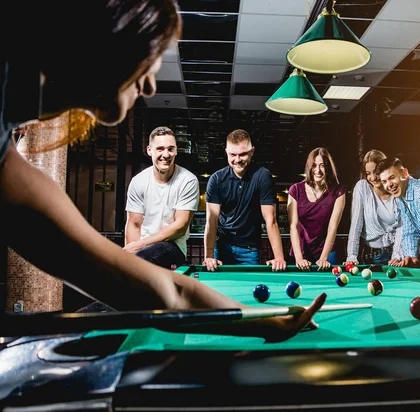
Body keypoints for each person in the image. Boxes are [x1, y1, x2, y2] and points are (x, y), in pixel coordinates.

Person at [0, 0, 325, 342]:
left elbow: (152, 288)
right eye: (150, 58)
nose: (152, 86)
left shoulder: (8, 160)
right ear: (112, 39)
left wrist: (265, 322)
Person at [203, 129, 287, 272]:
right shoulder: (216, 179)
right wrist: (208, 256)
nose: (237, 159)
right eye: (232, 155)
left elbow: (270, 220)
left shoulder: (263, 176)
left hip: (249, 249)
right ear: (226, 152)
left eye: (242, 154)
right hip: (222, 246)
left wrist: (279, 257)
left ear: (252, 151)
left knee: (250, 290)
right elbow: (211, 221)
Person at [124, 126, 199, 269]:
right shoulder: (138, 181)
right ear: (149, 150)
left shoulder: (188, 180)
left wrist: (141, 245)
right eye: (160, 149)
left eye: (171, 149)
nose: (166, 154)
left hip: (172, 246)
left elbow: (180, 227)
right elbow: (134, 224)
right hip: (143, 249)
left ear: (176, 151)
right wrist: (130, 254)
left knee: (147, 256)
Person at [287, 148, 346, 271]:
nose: (317, 170)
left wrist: (324, 258)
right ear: (309, 167)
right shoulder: (295, 190)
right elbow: (293, 226)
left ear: (328, 168)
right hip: (300, 251)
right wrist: (299, 258)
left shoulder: (338, 191)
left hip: (327, 252)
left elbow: (332, 227)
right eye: (314, 166)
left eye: (322, 166)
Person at [344, 150, 403, 267]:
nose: (372, 177)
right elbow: (356, 225)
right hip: (369, 256)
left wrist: (397, 255)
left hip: (395, 257)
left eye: (375, 172)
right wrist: (351, 256)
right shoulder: (362, 187)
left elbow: (401, 228)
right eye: (368, 173)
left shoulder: (397, 190)